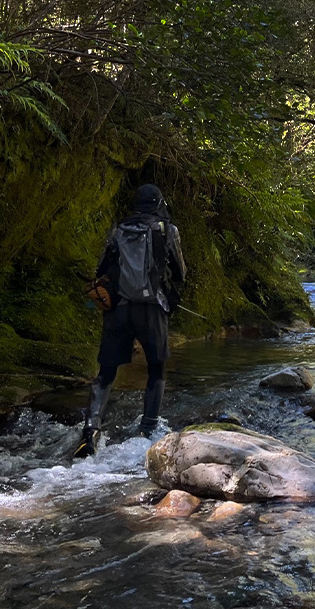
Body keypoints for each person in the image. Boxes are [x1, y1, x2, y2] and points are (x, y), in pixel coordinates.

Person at [75, 183, 187, 458]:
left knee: (107, 370)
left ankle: (91, 430)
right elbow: (180, 271)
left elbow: (101, 266)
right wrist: (171, 295)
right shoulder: (167, 229)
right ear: (159, 203)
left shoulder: (120, 229)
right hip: (151, 309)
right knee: (156, 368)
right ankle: (147, 432)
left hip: (119, 309)